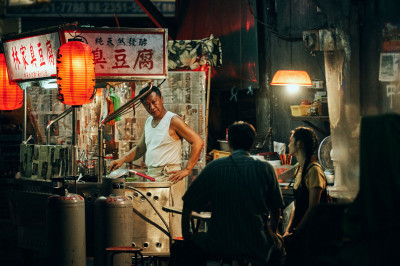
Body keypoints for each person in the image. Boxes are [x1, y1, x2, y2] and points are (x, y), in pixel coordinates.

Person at [169, 121, 285, 266]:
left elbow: (188, 204)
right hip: (256, 244)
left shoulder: (215, 167)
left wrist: (188, 237)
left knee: (181, 249)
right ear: (252, 142)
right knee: (280, 249)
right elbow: (276, 210)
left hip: (219, 243)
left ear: (229, 142)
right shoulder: (265, 168)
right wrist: (271, 233)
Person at [109, 85, 204, 238]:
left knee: (172, 224)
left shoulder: (173, 120)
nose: (152, 107)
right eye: (147, 105)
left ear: (162, 99)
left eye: (154, 102)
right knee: (156, 225)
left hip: (170, 179)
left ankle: (175, 259)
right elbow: (140, 148)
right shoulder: (148, 122)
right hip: (153, 179)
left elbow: (198, 142)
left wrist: (187, 170)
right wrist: (123, 159)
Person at [283, 127, 328, 265]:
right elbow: (297, 205)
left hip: (312, 232)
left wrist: (296, 232)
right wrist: (288, 229)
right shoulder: (299, 169)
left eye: (291, 141)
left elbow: (313, 208)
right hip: (299, 231)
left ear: (299, 144)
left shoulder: (314, 170)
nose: (288, 144)